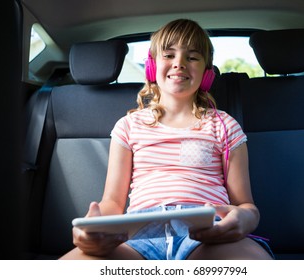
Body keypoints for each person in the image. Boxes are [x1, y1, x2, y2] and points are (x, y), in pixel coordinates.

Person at [60, 18, 273, 260]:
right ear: (151, 66)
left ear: (206, 73)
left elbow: (246, 205)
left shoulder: (224, 126)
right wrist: (95, 227)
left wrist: (244, 219)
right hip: (137, 236)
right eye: (168, 55)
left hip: (207, 234)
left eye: (192, 57)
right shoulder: (128, 126)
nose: (179, 64)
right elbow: (112, 203)